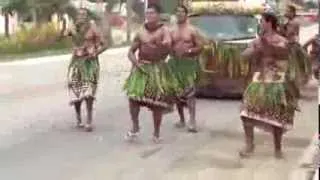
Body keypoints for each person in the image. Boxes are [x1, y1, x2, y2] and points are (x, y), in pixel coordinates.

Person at [239, 12, 299, 159]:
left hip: (276, 81)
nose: (260, 24)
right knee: (246, 114)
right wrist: (254, 49)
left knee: (276, 117)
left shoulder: (281, 40)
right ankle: (249, 145)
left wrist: (270, 47)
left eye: (262, 21)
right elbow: (244, 55)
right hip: (259, 80)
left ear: (269, 23)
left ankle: (278, 150)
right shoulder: (258, 41)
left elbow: (285, 54)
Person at [123, 4, 180, 143]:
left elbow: (168, 45)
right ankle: (135, 126)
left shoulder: (164, 30)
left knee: (157, 103)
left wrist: (161, 43)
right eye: (147, 13)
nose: (149, 16)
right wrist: (136, 64)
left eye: (152, 13)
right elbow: (130, 52)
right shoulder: (141, 31)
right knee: (133, 98)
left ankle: (156, 132)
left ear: (158, 15)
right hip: (142, 67)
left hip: (158, 69)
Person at [63, 8, 108, 132]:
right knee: (76, 91)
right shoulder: (73, 28)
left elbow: (105, 44)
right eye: (79, 14)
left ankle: (89, 120)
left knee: (88, 92)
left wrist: (95, 52)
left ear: (87, 16)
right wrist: (72, 46)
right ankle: (78, 118)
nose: (81, 17)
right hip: (76, 62)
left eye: (84, 15)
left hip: (89, 63)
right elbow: (64, 37)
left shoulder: (93, 28)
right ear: (77, 16)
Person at [168, 5, 202, 133]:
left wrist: (189, 50)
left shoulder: (192, 30)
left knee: (190, 93)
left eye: (182, 12)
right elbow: (167, 45)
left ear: (186, 14)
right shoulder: (171, 30)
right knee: (177, 94)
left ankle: (192, 121)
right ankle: (182, 119)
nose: (180, 14)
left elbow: (200, 47)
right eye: (178, 12)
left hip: (188, 64)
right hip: (175, 64)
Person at [280, 5, 311, 89]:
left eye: (287, 11)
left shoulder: (293, 22)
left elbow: (287, 34)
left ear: (292, 12)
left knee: (291, 69)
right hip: (290, 46)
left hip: (291, 47)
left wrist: (282, 26)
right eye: (285, 11)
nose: (285, 13)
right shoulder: (289, 21)